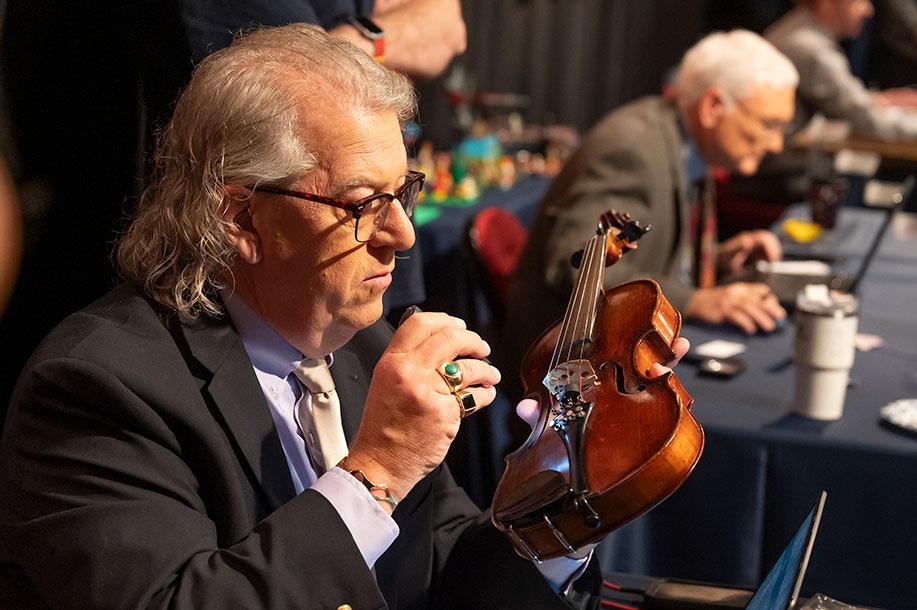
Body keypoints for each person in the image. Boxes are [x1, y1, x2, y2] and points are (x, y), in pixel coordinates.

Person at [0, 24, 690, 609]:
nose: (404, 234)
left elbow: (445, 576)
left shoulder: (363, 346)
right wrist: (376, 472)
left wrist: (566, 510)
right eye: (362, 203)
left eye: (404, 192)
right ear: (241, 218)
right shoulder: (99, 386)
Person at [505, 30, 797, 394]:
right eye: (770, 124)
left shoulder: (685, 145)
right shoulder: (634, 150)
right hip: (567, 378)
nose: (776, 144)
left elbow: (641, 253)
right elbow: (579, 269)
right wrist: (698, 301)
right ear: (713, 107)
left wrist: (718, 259)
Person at [767, 0, 917, 140]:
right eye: (857, 1)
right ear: (827, 4)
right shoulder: (811, 49)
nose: (868, 10)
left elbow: (850, 103)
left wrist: (879, 100)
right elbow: (867, 119)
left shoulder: (798, 30)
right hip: (790, 163)